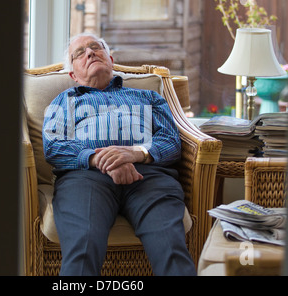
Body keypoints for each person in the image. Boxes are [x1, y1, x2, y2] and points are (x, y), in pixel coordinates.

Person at [42, 33, 196, 276]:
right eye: (79, 53)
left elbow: (170, 142)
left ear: (111, 60)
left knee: (170, 249)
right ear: (73, 75)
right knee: (83, 247)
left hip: (149, 177)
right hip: (85, 179)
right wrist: (99, 159)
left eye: (95, 47)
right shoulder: (64, 101)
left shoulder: (148, 97)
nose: (90, 53)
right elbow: (53, 145)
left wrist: (134, 154)